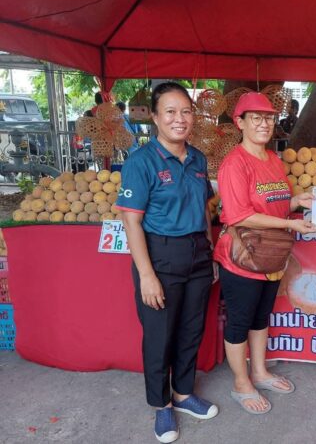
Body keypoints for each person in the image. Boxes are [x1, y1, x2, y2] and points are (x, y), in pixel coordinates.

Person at [116, 82, 218, 443]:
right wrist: (146, 275)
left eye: (186, 111)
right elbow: (131, 221)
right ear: (156, 118)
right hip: (160, 256)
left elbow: (204, 209)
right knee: (160, 336)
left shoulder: (198, 159)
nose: (180, 119)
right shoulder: (141, 162)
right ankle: (162, 406)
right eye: (171, 112)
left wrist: (209, 250)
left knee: (191, 330)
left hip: (197, 254)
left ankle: (184, 393)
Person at [213, 92, 316, 415]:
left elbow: (274, 202)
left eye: (269, 118)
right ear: (240, 123)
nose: (264, 124)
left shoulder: (272, 159)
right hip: (243, 257)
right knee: (240, 321)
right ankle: (240, 383)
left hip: (271, 255)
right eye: (255, 118)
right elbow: (239, 216)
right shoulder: (234, 164)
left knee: (260, 318)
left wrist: (297, 201)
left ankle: (259, 372)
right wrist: (289, 223)